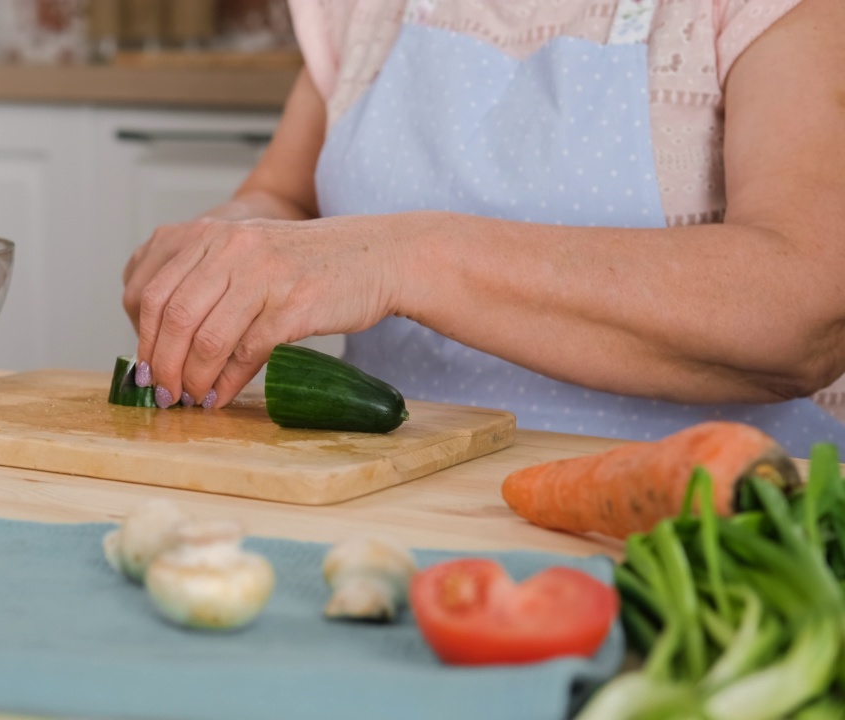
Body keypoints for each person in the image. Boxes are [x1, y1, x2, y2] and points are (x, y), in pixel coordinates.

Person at [121, 0, 845, 458]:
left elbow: (803, 312)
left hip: (704, 536)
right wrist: (225, 240)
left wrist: (404, 259)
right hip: (387, 515)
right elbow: (281, 194)